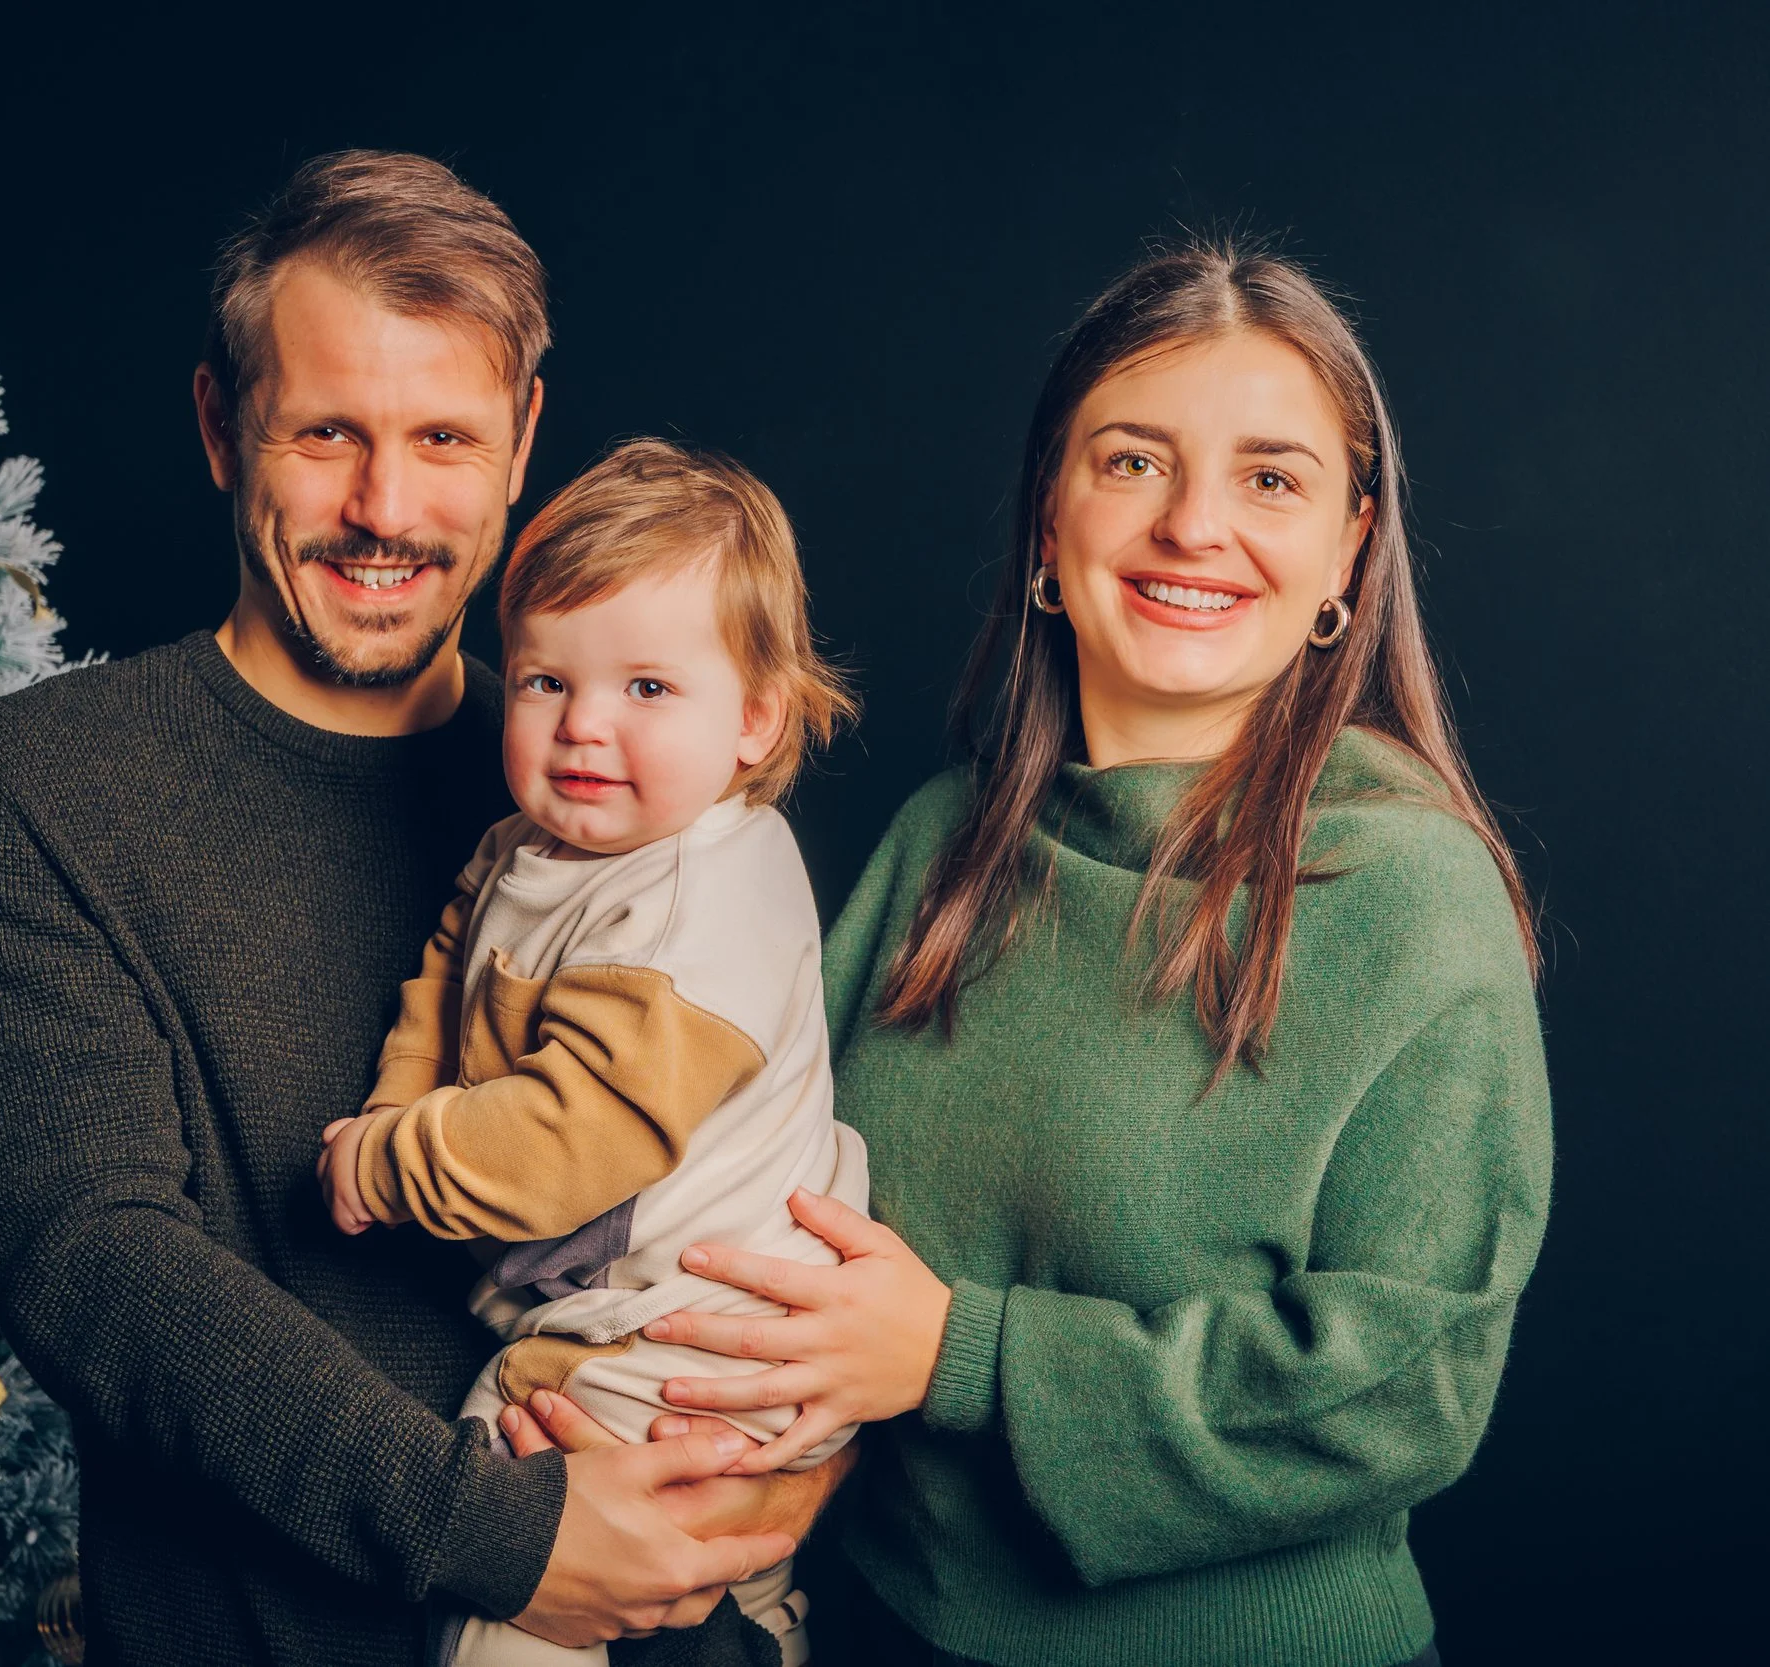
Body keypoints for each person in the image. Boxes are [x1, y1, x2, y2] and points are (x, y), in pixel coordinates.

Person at [0, 151, 839, 1667]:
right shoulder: (24, 795)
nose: (383, 506)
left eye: (443, 437)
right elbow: (101, 1268)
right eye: (325, 432)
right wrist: (505, 1532)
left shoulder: (635, 781)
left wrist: (822, 1424)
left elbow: (780, 1158)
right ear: (222, 428)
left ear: (524, 438)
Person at [629, 239, 1552, 1666]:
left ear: (1348, 550)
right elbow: (759, 1191)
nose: (1195, 523)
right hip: (877, 1628)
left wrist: (963, 1353)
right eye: (1133, 461)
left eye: (1271, 477)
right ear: (1050, 522)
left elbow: (1405, 1383)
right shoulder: (945, 842)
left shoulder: (1412, 892)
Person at [316, 440, 867, 1666]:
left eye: (648, 690)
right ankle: (755, 1614)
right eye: (543, 682)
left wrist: (384, 1163)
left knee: (509, 1543)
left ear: (755, 717)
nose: (584, 728)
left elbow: (567, 1143)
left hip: (693, 1338)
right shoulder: (538, 840)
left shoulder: (702, 903)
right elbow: (449, 964)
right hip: (624, 1309)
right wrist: (396, 1101)